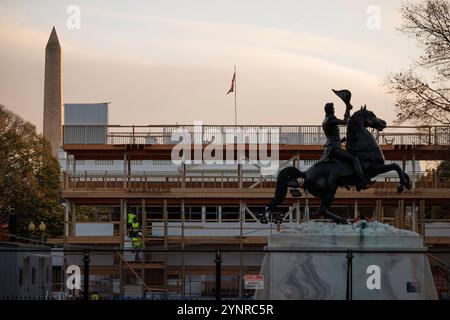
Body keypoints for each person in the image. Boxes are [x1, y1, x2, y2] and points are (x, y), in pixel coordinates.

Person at [315, 101, 370, 191]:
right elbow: (345, 122)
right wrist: (347, 109)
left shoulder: (325, 120)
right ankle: (361, 181)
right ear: (330, 110)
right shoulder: (330, 119)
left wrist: (340, 141)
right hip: (335, 148)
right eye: (333, 109)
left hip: (331, 146)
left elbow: (331, 137)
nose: (334, 110)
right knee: (354, 158)